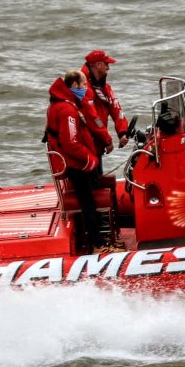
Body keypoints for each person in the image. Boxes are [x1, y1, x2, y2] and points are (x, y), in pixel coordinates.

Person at [44, 69, 115, 254]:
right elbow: (71, 143)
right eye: (83, 85)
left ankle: (99, 237)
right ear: (74, 85)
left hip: (71, 162)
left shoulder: (60, 104)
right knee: (88, 202)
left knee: (92, 195)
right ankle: (98, 243)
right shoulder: (67, 110)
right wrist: (91, 160)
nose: (85, 88)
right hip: (76, 164)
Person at [81, 49, 130, 155]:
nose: (108, 67)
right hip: (85, 145)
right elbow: (92, 118)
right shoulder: (83, 88)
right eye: (106, 64)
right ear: (98, 65)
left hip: (98, 144)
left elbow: (117, 110)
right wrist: (107, 140)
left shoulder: (105, 88)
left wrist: (123, 132)